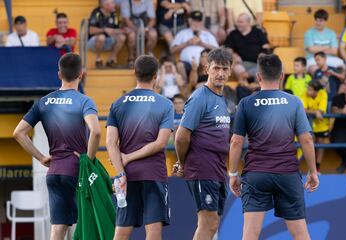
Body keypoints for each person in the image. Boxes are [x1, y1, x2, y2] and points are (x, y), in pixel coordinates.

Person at [228, 54, 319, 240]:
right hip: (287, 173)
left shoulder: (246, 103)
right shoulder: (294, 102)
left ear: (258, 77)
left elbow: (236, 142)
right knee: (301, 233)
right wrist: (313, 171)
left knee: (250, 234)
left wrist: (233, 174)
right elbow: (307, 139)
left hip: (256, 174)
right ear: (282, 76)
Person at [12, 53, 101, 239]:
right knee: (85, 225)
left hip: (54, 172)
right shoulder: (84, 101)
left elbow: (18, 133)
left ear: (59, 74)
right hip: (76, 170)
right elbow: (96, 131)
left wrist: (41, 157)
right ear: (81, 74)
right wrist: (89, 162)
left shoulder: (44, 102)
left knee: (58, 228)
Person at [106, 55, 174, 240]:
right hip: (154, 174)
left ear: (134, 73)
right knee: (153, 230)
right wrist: (129, 158)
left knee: (122, 229)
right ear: (156, 76)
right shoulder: (165, 104)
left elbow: (110, 143)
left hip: (128, 175)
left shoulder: (118, 104)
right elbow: (160, 143)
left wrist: (121, 172)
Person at [174, 48, 232, 240]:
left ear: (231, 71)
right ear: (207, 69)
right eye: (216, 68)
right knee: (208, 223)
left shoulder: (221, 98)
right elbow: (181, 136)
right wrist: (182, 163)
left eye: (225, 69)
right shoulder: (200, 97)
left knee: (213, 222)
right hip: (202, 166)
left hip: (217, 167)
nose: (221, 73)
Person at [170, 11, 219, 82]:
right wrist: (187, 43)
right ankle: (186, 86)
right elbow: (172, 50)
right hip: (187, 64)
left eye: (199, 21)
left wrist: (201, 43)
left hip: (204, 65)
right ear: (190, 20)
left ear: (202, 22)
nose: (196, 23)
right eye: (194, 20)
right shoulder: (182, 33)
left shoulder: (208, 34)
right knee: (179, 65)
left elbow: (217, 50)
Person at [88, 0, 135, 68]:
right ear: (105, 5)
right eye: (112, 3)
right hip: (93, 42)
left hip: (108, 41)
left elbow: (116, 29)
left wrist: (124, 30)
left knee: (122, 37)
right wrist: (104, 30)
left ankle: (111, 59)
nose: (114, 4)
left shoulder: (113, 14)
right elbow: (91, 31)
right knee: (101, 37)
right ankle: (98, 60)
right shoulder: (96, 13)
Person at [224, 13, 270, 80]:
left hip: (258, 62)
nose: (238, 24)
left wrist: (262, 54)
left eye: (241, 22)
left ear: (248, 23)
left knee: (275, 68)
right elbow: (228, 49)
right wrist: (234, 55)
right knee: (237, 68)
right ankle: (245, 87)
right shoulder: (233, 34)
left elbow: (266, 46)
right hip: (242, 63)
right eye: (238, 21)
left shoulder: (258, 32)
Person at [304, 9, 344, 74]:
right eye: (316, 20)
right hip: (313, 59)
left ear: (325, 21)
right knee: (315, 70)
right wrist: (327, 47)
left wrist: (317, 48)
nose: (317, 23)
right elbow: (311, 49)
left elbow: (334, 51)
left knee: (341, 67)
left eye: (320, 21)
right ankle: (319, 84)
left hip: (329, 58)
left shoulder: (331, 33)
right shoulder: (309, 33)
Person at [301, 81, 329, 173]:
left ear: (316, 91)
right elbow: (303, 110)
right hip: (309, 123)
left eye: (310, 89)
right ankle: (312, 167)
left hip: (321, 124)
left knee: (321, 143)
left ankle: (318, 166)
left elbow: (321, 111)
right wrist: (315, 112)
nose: (307, 91)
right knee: (310, 142)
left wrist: (317, 112)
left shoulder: (323, 93)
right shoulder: (304, 94)